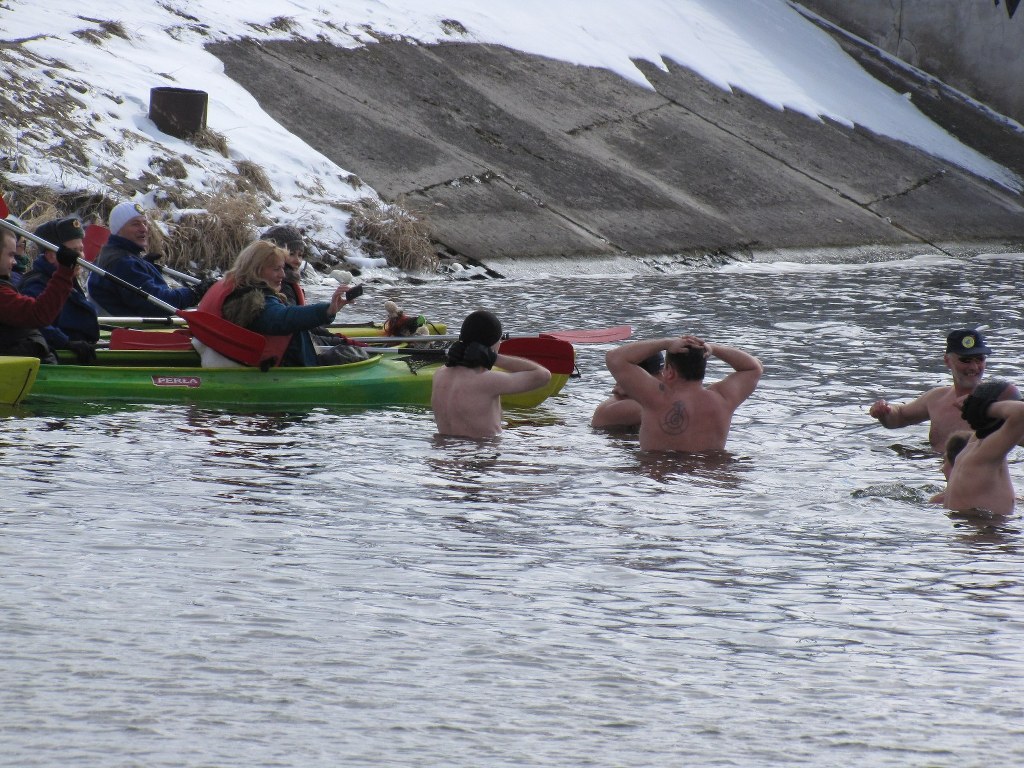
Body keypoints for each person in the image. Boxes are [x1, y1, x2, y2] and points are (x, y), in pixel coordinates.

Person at [869, 328, 1019, 453]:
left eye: (979, 359)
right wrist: (885, 411)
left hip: (978, 476)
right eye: (965, 360)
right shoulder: (936, 397)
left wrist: (992, 413)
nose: (974, 367)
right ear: (947, 361)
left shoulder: (1001, 398)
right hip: (935, 470)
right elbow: (900, 416)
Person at [212, 240, 359, 366]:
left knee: (347, 351)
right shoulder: (255, 303)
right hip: (290, 366)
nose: (282, 274)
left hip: (287, 361)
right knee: (353, 354)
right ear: (256, 271)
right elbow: (283, 318)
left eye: (282, 268)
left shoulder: (241, 291)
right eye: (276, 269)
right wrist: (328, 310)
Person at [606, 334, 762, 452]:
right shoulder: (723, 399)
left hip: (659, 475)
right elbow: (754, 367)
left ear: (670, 372)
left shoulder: (655, 397)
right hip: (709, 476)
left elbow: (614, 358)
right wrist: (712, 348)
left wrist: (666, 343)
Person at [431, 310, 552, 438]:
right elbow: (544, 375)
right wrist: (494, 358)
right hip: (484, 449)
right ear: (493, 344)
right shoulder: (488, 381)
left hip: (442, 448)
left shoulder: (439, 375)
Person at [88, 201, 211, 316]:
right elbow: (161, 305)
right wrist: (195, 293)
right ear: (118, 230)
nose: (144, 229)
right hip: (133, 328)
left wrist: (144, 265)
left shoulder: (112, 254)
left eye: (145, 223)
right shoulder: (123, 263)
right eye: (136, 224)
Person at [19, 216, 101, 364]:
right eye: (73, 251)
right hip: (58, 360)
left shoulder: (71, 281)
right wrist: (66, 342)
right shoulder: (35, 285)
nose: (81, 257)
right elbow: (33, 322)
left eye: (81, 250)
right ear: (51, 256)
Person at [943, 379, 1024, 515]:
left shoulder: (975, 446)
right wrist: (984, 408)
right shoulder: (985, 454)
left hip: (973, 524)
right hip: (985, 526)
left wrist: (975, 407)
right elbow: (1021, 413)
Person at [0, 223, 78, 363]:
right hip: (19, 369)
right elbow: (39, 313)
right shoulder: (3, 295)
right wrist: (64, 272)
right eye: (10, 255)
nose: (15, 262)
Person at [591, 351, 665, 430]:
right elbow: (666, 410)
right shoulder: (622, 406)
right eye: (658, 373)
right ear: (639, 376)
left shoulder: (632, 397)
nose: (662, 378)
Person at [928, 431, 971, 505]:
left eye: (945, 461)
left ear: (957, 465)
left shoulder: (940, 500)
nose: (942, 469)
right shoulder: (989, 496)